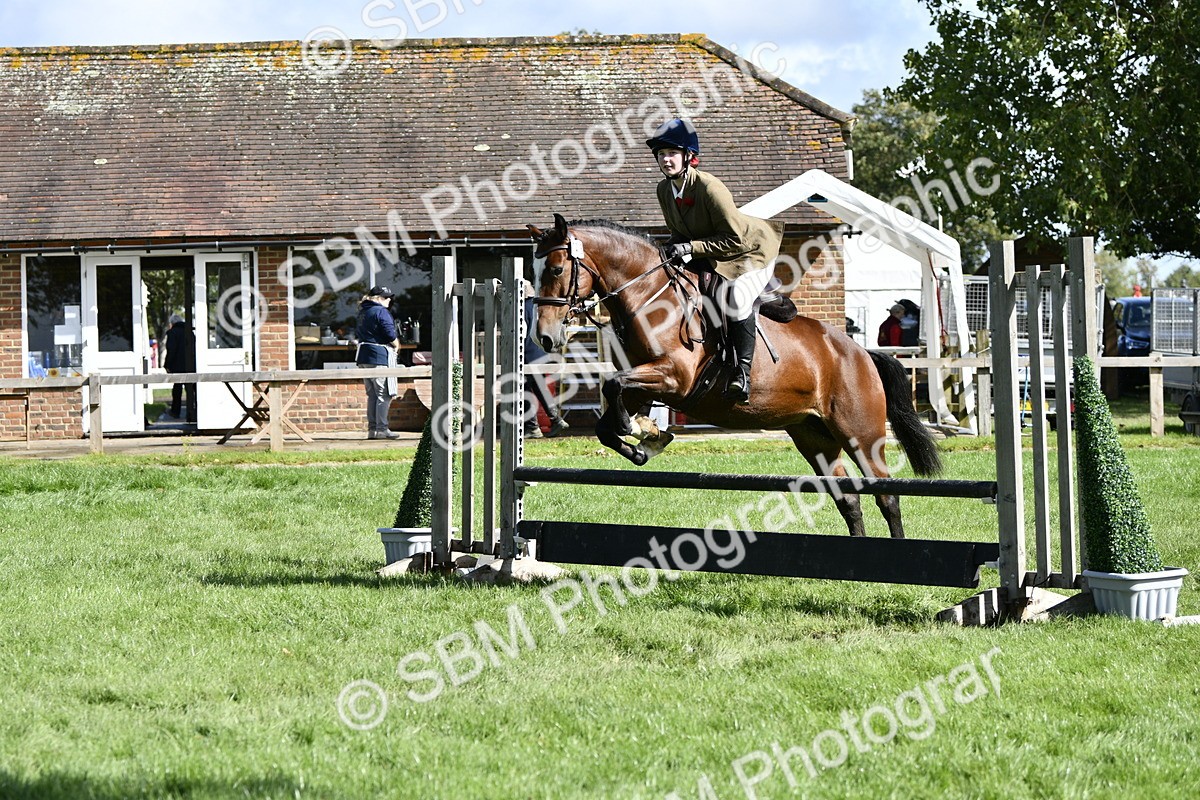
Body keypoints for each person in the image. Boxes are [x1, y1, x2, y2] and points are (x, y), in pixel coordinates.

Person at [647, 118, 784, 404]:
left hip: (749, 252)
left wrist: (689, 247)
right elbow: (679, 232)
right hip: (712, 253)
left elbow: (735, 239)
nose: (665, 160)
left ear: (687, 156)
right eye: (661, 154)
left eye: (671, 153)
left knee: (736, 298)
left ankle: (742, 373)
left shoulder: (710, 188)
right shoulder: (664, 190)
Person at [522, 280, 570, 439]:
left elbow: (521, 331)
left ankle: (537, 425)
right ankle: (547, 421)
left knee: (526, 386)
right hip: (539, 351)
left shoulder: (522, 307)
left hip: (528, 351)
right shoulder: (537, 306)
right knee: (533, 386)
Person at [355, 285, 401, 440]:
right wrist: (396, 344)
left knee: (372, 395)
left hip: (363, 356)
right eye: (387, 297)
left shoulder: (363, 311)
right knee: (384, 394)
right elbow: (389, 333)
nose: (389, 300)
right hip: (378, 356)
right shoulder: (381, 311)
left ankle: (372, 430)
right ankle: (382, 429)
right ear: (379, 298)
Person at [162, 313, 196, 422]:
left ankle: (175, 411)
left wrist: (167, 365)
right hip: (191, 365)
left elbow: (171, 350)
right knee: (192, 389)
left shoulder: (172, 333)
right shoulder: (190, 332)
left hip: (177, 365)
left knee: (177, 389)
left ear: (172, 323)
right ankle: (195, 410)